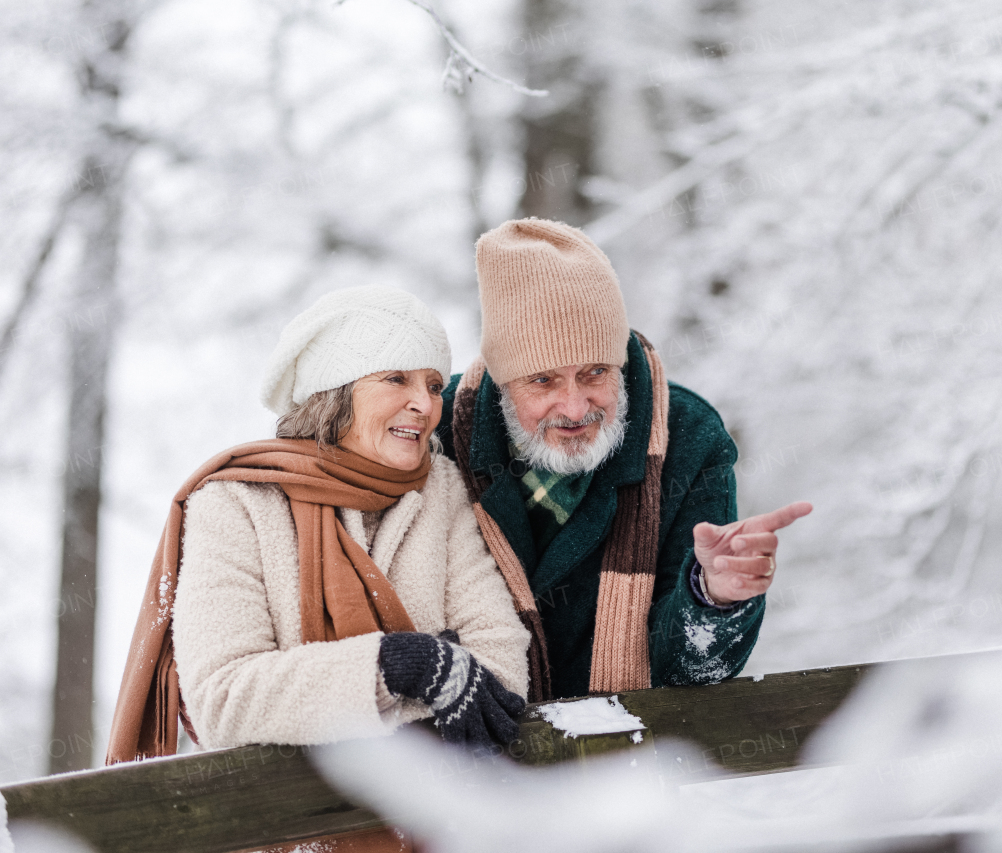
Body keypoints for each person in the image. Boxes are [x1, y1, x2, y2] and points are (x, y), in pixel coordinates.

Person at [107, 286, 530, 779]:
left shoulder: (443, 491)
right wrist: (404, 665)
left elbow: (502, 675)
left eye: (434, 385)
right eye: (397, 378)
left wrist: (313, 699)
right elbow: (222, 701)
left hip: (437, 820)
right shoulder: (236, 503)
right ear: (335, 390)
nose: (424, 403)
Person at [436, 218, 813, 701]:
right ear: (504, 382)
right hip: (464, 761)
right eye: (543, 381)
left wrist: (713, 598)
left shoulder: (689, 439)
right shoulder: (437, 428)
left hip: (625, 761)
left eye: (595, 373)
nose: (574, 407)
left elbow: (691, 675)